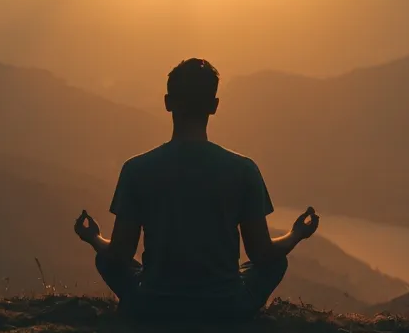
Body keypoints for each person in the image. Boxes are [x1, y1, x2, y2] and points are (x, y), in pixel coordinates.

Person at [73, 58, 320, 319]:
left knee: (104, 259)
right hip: (226, 305)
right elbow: (262, 253)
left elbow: (120, 255)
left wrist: (93, 238)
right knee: (276, 263)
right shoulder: (244, 169)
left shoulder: (136, 169)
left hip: (154, 304)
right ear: (214, 107)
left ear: (168, 103)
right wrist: (296, 234)